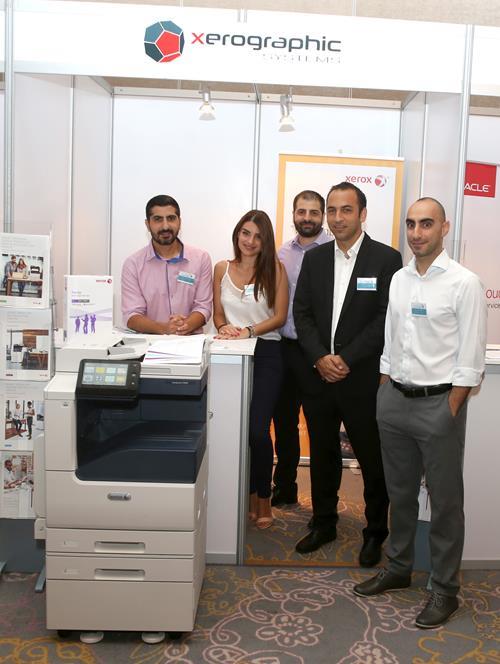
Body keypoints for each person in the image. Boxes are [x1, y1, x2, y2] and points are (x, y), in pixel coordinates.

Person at [353, 197, 487, 629]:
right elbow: (391, 341)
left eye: (426, 224)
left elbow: (471, 359)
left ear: (444, 228)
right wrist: (384, 390)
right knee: (400, 494)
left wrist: (450, 408)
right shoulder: (399, 278)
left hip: (439, 405)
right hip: (394, 400)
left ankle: (445, 589)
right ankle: (398, 568)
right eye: (410, 224)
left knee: (445, 504)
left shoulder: (464, 283)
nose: (416, 232)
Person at [293, 181, 402, 565]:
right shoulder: (315, 259)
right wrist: (321, 357)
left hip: (362, 379)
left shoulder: (386, 259)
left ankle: (375, 533)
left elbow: (384, 317)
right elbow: (302, 314)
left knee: (372, 460)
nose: (338, 218)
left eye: (346, 210)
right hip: (319, 377)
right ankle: (324, 522)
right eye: (333, 210)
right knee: (323, 455)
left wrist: (346, 359)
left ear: (362, 214)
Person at [213, 210, 288, 529]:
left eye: (258, 236)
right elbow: (217, 313)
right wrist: (224, 327)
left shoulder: (276, 269)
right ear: (237, 234)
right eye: (245, 233)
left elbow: (280, 317)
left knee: (257, 430)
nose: (250, 241)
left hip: (267, 352)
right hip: (230, 354)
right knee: (234, 430)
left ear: (266, 240)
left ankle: (264, 499)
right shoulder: (221, 268)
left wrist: (249, 331)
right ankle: (246, 495)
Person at [272, 190, 332, 507]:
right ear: (293, 214)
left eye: (313, 212)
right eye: (301, 212)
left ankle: (323, 503)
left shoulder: (334, 252)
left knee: (320, 427)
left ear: (322, 216)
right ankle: (285, 487)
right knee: (284, 424)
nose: (307, 218)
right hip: (284, 348)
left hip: (316, 353)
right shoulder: (281, 253)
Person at [122, 194, 213, 335]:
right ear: (147, 224)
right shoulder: (133, 264)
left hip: (191, 342)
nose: (165, 226)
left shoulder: (201, 259)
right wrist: (164, 328)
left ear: (179, 222)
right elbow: (132, 315)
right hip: (149, 343)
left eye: (171, 218)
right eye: (158, 219)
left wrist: (184, 326)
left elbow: (203, 307)